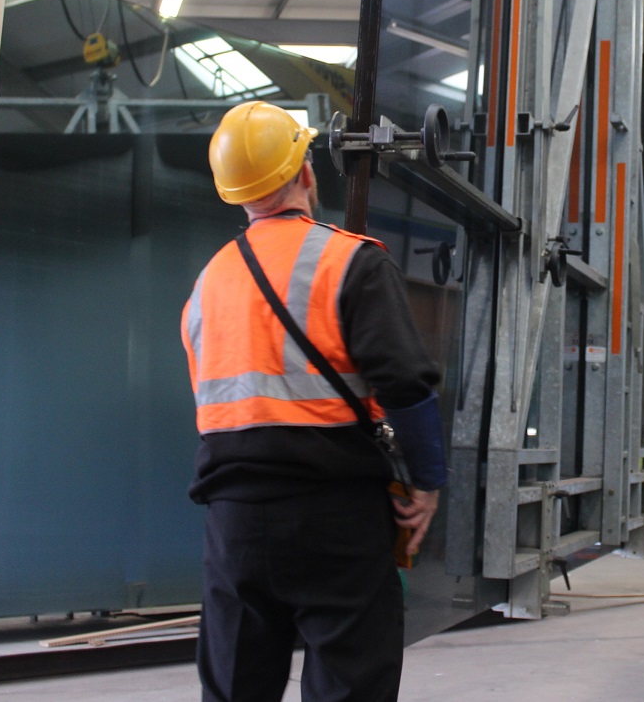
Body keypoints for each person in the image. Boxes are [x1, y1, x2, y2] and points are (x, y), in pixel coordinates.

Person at [180, 101, 448, 702]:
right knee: (349, 683)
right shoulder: (352, 260)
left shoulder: (207, 285)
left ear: (235, 194)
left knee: (234, 687)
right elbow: (404, 383)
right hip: (337, 517)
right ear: (306, 173)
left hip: (233, 526)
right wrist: (427, 482)